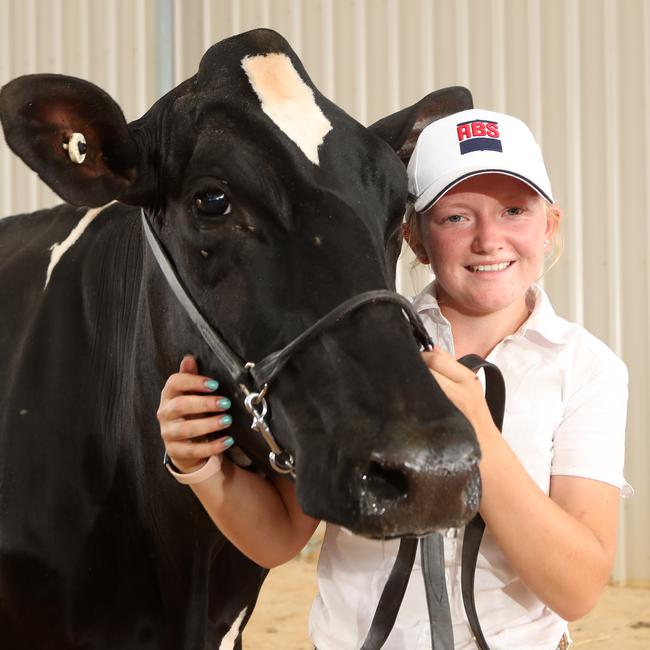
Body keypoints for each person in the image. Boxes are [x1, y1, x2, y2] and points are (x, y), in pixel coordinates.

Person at [157, 108, 631, 649]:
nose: (488, 239)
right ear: (415, 237)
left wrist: (476, 436)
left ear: (548, 227)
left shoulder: (587, 369)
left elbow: (576, 588)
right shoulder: (358, 346)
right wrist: (202, 467)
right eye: (456, 217)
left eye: (514, 211)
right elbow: (279, 538)